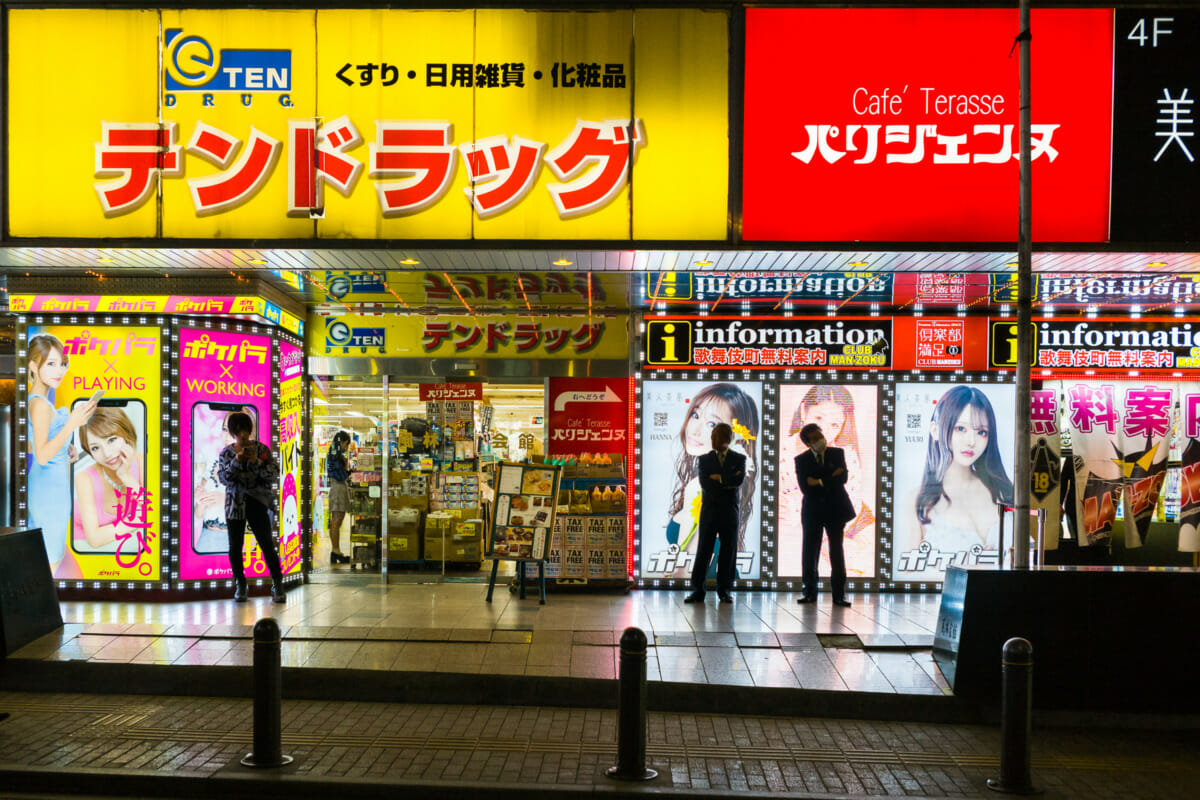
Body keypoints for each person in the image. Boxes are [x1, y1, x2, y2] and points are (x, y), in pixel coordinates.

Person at [666, 383, 759, 579]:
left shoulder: (733, 463)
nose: (696, 430)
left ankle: (708, 591)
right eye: (695, 415)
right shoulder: (703, 467)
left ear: (735, 436)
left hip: (712, 577)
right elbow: (722, 482)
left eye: (712, 424)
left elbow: (685, 565)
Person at [913, 385, 1014, 556]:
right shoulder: (917, 500)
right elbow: (907, 571)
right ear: (935, 431)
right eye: (960, 429)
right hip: (949, 583)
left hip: (1003, 583)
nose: (971, 441)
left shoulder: (1003, 488)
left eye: (981, 432)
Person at [26, 334, 98, 565]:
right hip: (48, 490)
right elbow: (43, 455)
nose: (60, 370)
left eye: (62, 363)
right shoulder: (40, 405)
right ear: (33, 367)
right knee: (47, 557)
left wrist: (65, 447)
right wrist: (71, 425)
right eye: (51, 363)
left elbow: (33, 443)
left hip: (52, 487)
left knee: (47, 553)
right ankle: (44, 600)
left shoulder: (39, 402)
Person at [217, 411, 285, 602]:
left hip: (258, 503)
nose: (243, 436)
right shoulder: (227, 453)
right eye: (239, 432)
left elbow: (272, 476)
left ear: (251, 430)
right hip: (234, 505)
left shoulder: (262, 450)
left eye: (246, 431)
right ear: (233, 433)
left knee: (266, 544)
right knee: (235, 547)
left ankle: (277, 584)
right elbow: (224, 479)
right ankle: (241, 584)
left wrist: (255, 461)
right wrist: (237, 462)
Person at [684, 422, 746, 604]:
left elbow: (738, 480)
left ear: (728, 439)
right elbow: (707, 484)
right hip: (710, 513)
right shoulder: (704, 460)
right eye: (713, 437)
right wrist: (726, 480)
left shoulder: (739, 459)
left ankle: (724, 590)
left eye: (718, 437)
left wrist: (719, 478)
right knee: (704, 551)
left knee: (728, 552)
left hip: (730, 513)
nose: (714, 440)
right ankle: (697, 590)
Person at [795, 422, 855, 607]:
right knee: (810, 552)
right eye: (814, 439)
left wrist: (819, 481)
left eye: (820, 436)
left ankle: (839, 594)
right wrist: (830, 477)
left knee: (836, 551)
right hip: (812, 511)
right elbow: (806, 487)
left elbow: (842, 478)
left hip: (836, 510)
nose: (820, 440)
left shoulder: (837, 453)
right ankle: (810, 592)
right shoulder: (801, 460)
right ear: (808, 443)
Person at [74, 407, 146, 551]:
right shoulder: (84, 478)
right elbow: (94, 539)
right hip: (83, 544)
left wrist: (126, 477)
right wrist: (138, 518)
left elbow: (157, 511)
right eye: (95, 448)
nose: (107, 454)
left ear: (125, 433)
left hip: (117, 539)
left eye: (111, 440)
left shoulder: (141, 461)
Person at [325, 431, 352, 564]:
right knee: (336, 519)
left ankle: (336, 550)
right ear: (341, 442)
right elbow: (339, 475)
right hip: (338, 488)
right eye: (346, 444)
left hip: (338, 487)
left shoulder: (334, 454)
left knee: (338, 519)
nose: (346, 447)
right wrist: (349, 471)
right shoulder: (335, 455)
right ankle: (335, 551)